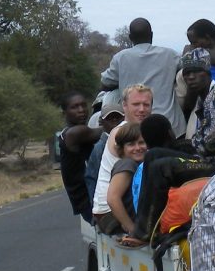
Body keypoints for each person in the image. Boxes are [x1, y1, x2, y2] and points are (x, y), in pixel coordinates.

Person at [100, 18, 182, 135]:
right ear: (151, 35)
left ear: (130, 37)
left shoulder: (121, 58)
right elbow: (185, 73)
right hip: (171, 127)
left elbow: (105, 83)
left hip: (136, 128)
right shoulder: (171, 55)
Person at [91, 84, 154, 231]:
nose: (142, 109)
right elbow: (113, 197)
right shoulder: (120, 133)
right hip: (110, 211)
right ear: (124, 105)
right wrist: (133, 230)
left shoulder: (143, 131)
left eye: (146, 104)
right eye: (136, 104)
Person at [56, 91, 102, 221]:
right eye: (74, 107)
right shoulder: (75, 133)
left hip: (87, 199)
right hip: (88, 200)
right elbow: (108, 130)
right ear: (64, 113)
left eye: (83, 105)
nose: (81, 110)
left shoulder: (68, 133)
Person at [99, 122, 148, 243]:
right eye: (131, 144)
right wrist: (132, 229)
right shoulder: (127, 164)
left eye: (141, 142)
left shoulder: (140, 165)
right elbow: (113, 198)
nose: (137, 148)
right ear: (122, 149)